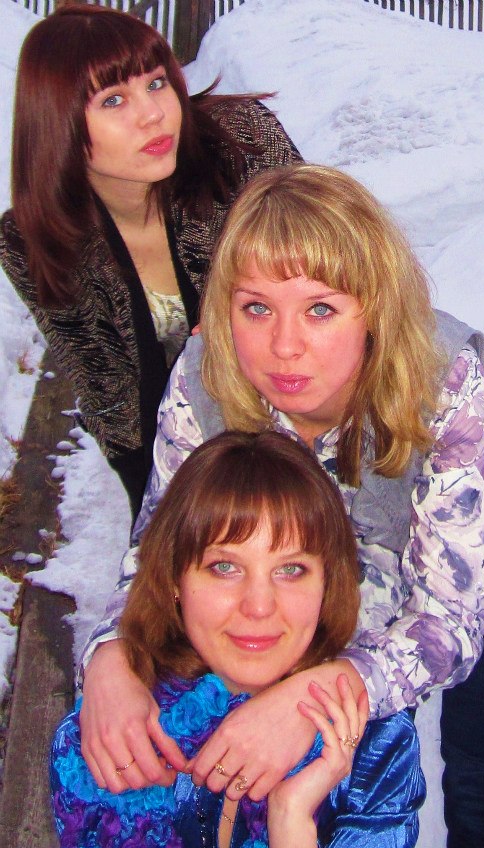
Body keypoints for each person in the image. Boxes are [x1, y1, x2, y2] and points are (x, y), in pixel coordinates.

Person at [79, 165, 484, 848]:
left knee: (482, 766)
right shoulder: (205, 377)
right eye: (255, 308)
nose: (282, 348)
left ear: (373, 308)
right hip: (338, 524)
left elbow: (446, 626)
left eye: (319, 309)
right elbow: (160, 552)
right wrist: (110, 656)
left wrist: (313, 695)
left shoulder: (451, 389)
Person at [49, 429, 448, 848]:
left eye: (291, 570)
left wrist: (292, 822)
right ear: (173, 580)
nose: (258, 606)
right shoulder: (115, 734)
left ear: (328, 584)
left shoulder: (372, 750)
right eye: (224, 567)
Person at [0, 4, 299, 522]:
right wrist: (161, 518)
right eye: (113, 99)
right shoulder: (31, 240)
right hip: (191, 449)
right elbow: (111, 396)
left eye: (157, 83)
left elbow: (337, 269)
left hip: (310, 410)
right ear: (58, 122)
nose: (153, 114)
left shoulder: (242, 144)